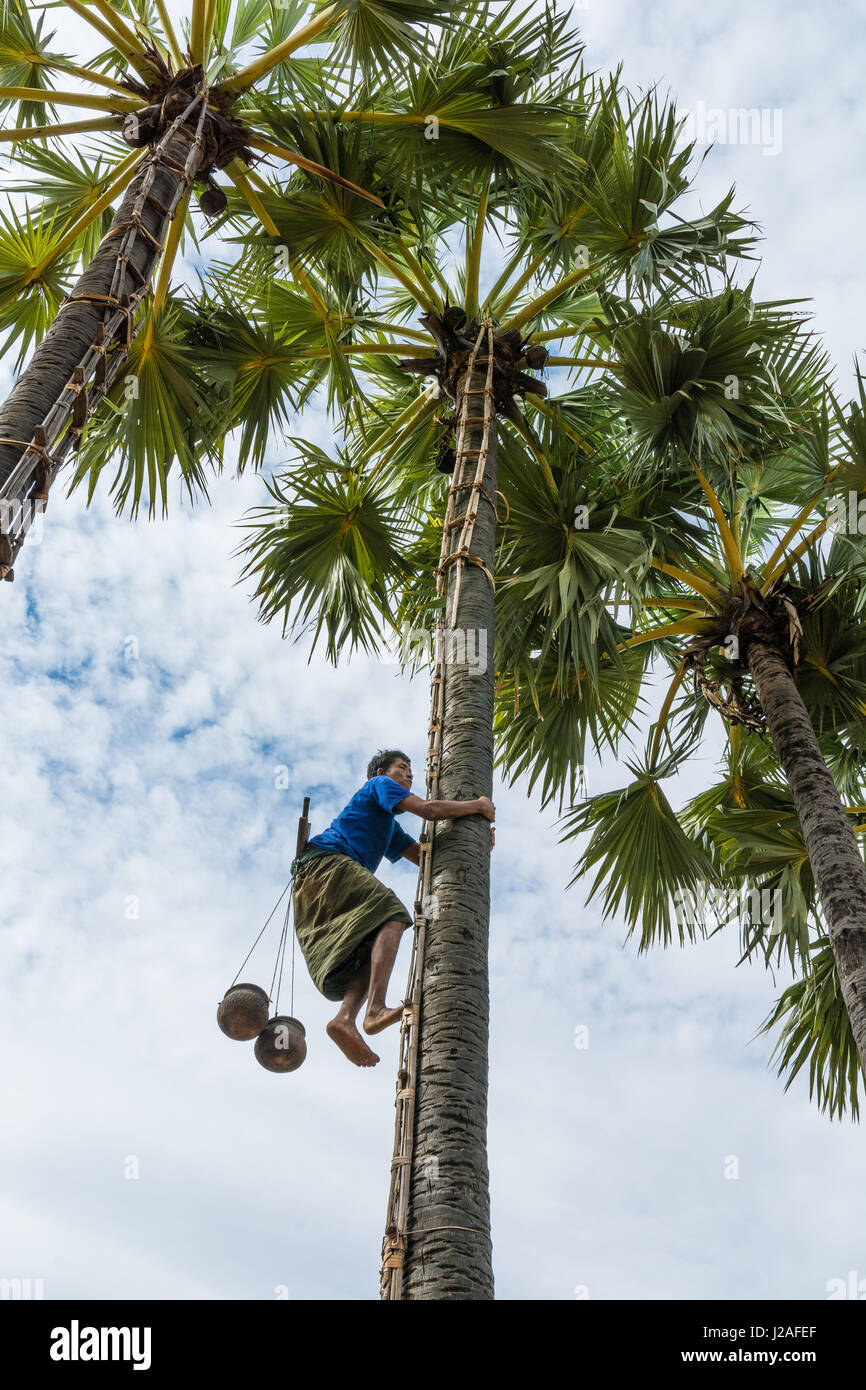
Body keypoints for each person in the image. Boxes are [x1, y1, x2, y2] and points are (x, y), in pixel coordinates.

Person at [291, 748, 495, 1067]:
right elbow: (428, 810)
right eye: (402, 768)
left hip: (316, 878)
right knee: (393, 916)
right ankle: (375, 1009)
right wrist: (477, 806)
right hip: (328, 863)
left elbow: (425, 859)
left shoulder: (388, 828)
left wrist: (477, 840)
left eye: (410, 770)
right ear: (383, 773)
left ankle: (346, 1018)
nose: (409, 774)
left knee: (369, 951)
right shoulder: (378, 786)